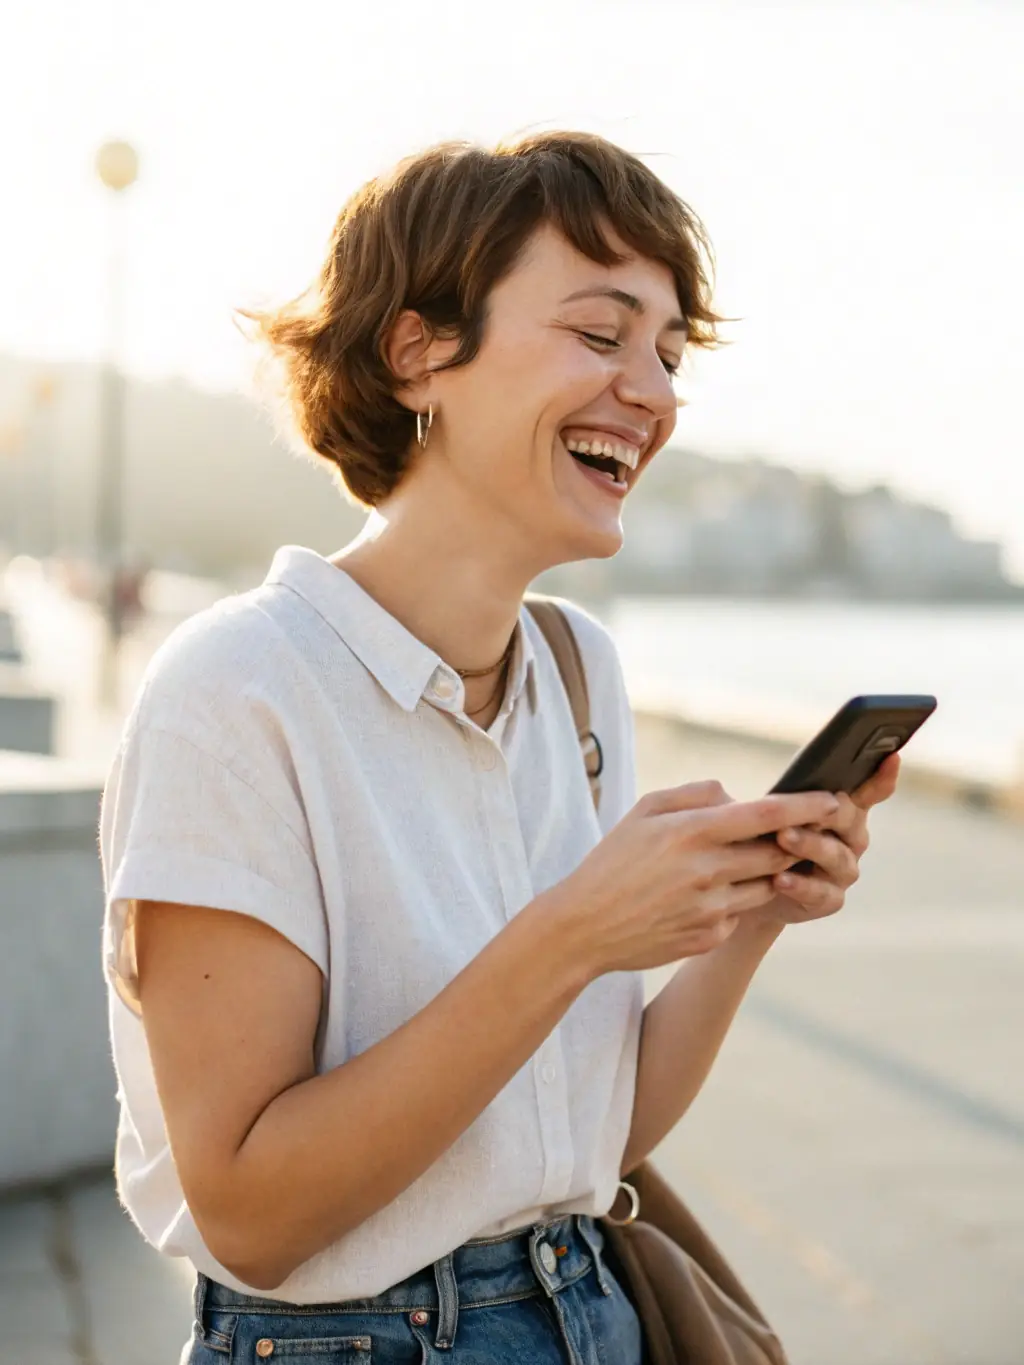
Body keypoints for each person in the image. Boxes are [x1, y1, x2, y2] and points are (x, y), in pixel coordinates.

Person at [99, 131, 899, 1364]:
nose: (655, 393)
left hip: (594, 1306)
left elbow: (598, 1130)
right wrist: (575, 929)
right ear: (418, 352)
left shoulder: (578, 673)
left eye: (669, 356)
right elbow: (253, 1215)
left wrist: (751, 917)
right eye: (600, 334)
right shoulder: (238, 691)